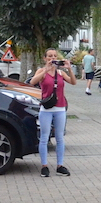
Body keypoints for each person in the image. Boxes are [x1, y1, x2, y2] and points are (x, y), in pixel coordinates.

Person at [32, 49, 76, 177]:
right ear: (45, 58)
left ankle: (60, 165)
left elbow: (73, 82)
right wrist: (45, 70)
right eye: (50, 56)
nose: (52, 58)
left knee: (60, 138)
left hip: (60, 108)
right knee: (44, 137)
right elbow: (32, 82)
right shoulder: (41, 71)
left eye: (55, 56)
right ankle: (44, 166)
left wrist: (69, 69)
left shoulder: (61, 73)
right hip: (46, 109)